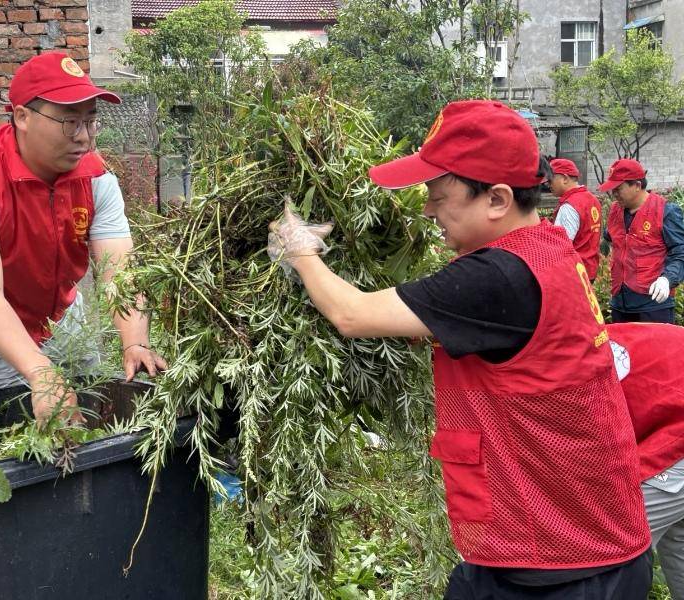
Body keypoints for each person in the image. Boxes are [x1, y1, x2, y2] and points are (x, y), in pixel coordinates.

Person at [267, 100, 651, 598]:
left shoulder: (496, 277)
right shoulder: (545, 246)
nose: (427, 210)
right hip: (559, 537)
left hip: (563, 564)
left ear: (496, 199)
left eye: (437, 195)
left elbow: (351, 314)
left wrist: (299, 250)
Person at [0, 52, 167, 424]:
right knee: (12, 429)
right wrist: (40, 371)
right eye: (69, 122)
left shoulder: (97, 179)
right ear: (22, 117)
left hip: (59, 314)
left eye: (90, 121)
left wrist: (135, 341)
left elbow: (120, 273)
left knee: (88, 412)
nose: (84, 137)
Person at [608, 322, 684, 600]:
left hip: (675, 435)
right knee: (679, 542)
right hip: (669, 416)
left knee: (604, 552)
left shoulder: (557, 368)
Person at [600, 158, 684, 323]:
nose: (614, 194)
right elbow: (611, 235)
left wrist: (667, 279)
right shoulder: (616, 210)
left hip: (652, 303)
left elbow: (680, 252)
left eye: (618, 189)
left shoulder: (665, 211)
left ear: (637, 185)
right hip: (620, 301)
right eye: (612, 189)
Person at [548, 158, 601, 281]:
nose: (548, 185)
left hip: (573, 272)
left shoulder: (569, 206)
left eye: (550, 180)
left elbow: (560, 246)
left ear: (565, 178)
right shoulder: (592, 199)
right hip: (589, 268)